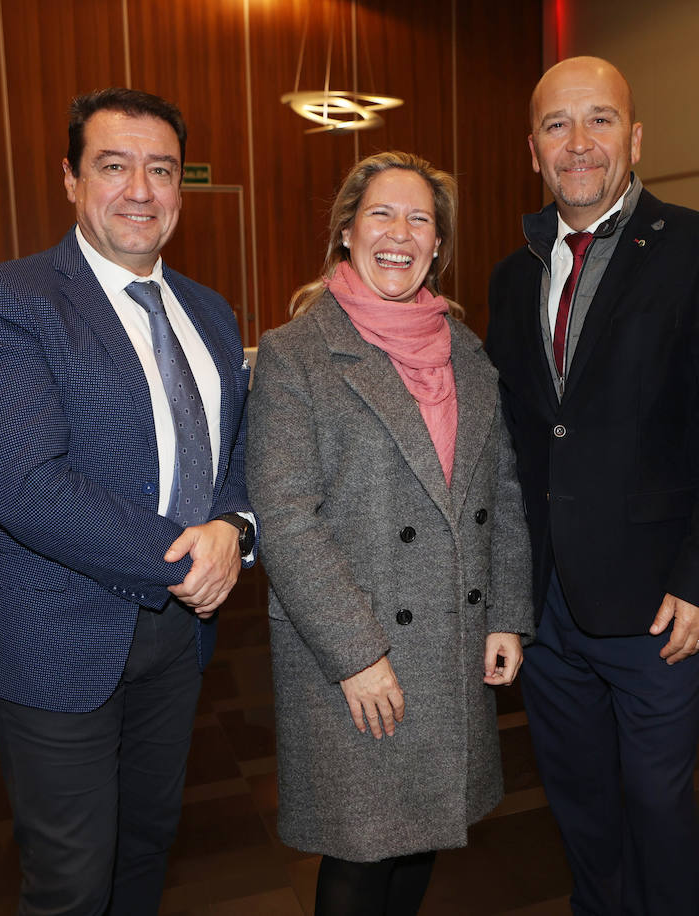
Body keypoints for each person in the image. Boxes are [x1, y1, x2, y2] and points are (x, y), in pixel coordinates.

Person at [0, 88, 256, 914]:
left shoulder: (211, 313)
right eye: (114, 166)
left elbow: (239, 452)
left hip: (176, 639)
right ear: (71, 179)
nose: (140, 190)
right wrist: (187, 554)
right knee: (73, 879)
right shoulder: (9, 298)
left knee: (147, 846)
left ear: (182, 188)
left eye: (161, 170)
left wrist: (234, 526)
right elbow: (24, 485)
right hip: (55, 631)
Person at [485, 57, 699, 915]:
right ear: (532, 148)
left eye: (600, 120)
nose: (579, 144)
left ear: (635, 138)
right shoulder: (512, 274)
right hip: (546, 606)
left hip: (657, 604)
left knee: (655, 804)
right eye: (557, 125)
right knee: (581, 808)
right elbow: (516, 442)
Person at [247, 151, 534, 916]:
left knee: (421, 839)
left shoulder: (467, 355)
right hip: (352, 651)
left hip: (450, 642)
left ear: (438, 246)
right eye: (381, 214)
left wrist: (507, 611)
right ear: (346, 232)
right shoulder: (295, 354)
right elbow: (286, 517)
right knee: (360, 856)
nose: (400, 233)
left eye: (420, 220)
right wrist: (357, 654)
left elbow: (500, 493)